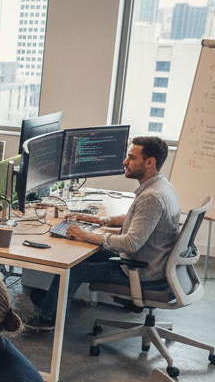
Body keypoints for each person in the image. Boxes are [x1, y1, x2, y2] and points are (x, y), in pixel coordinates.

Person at [29, 135, 180, 330]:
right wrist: (100, 221)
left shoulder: (152, 197)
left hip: (139, 270)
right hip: (152, 261)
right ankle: (52, 302)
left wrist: (87, 235)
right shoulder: (162, 186)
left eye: (132, 158)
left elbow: (131, 243)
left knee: (71, 268)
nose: (125, 162)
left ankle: (47, 319)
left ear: (150, 162)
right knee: (84, 255)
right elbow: (136, 218)